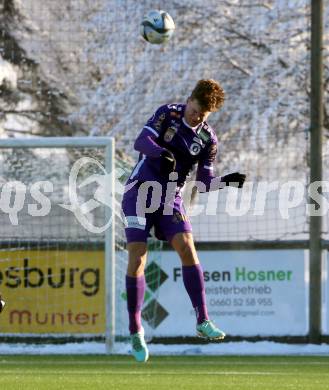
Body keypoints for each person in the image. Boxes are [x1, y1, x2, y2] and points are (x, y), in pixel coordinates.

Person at [121, 79, 246, 362]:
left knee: (187, 246)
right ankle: (135, 330)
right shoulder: (169, 114)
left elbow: (202, 184)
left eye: (202, 115)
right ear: (189, 100)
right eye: (194, 110)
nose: (196, 116)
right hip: (139, 191)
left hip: (169, 198)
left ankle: (202, 320)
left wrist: (225, 182)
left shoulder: (208, 140)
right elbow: (140, 141)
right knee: (138, 256)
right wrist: (160, 152)